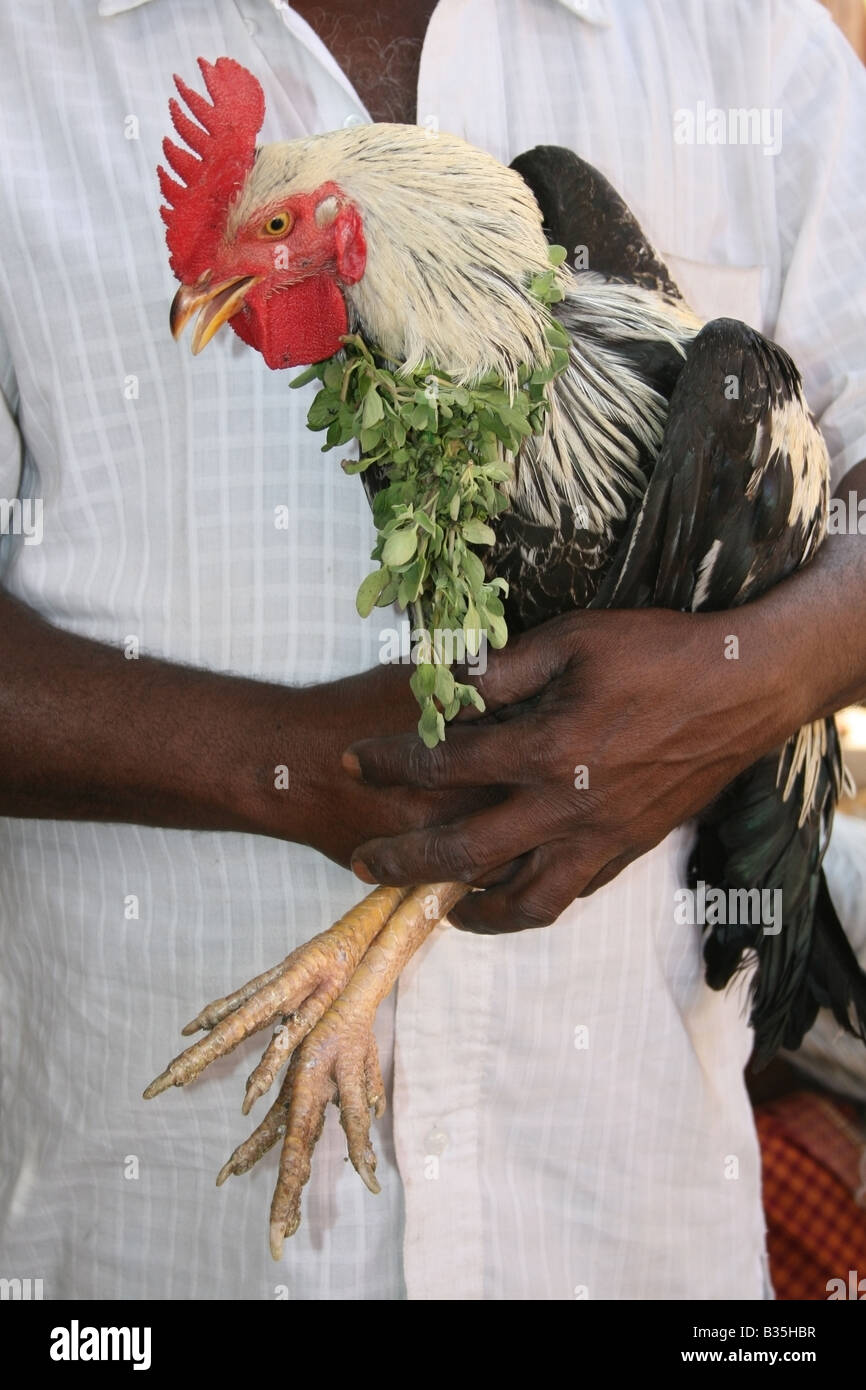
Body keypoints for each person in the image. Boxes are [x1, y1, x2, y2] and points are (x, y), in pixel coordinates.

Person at [0, 0, 864, 1301]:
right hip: (141, 1246)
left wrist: (756, 678)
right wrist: (293, 770)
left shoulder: (741, 43)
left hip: (619, 1218)